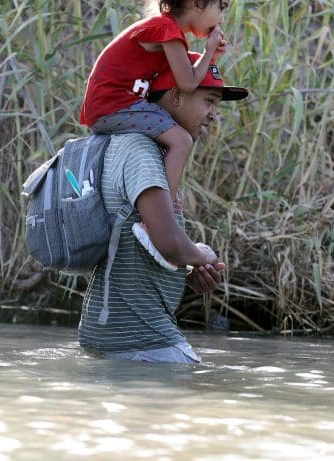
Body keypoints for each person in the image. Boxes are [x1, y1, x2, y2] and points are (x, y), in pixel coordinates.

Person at [78, 55, 249, 364]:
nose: (213, 115)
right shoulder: (141, 152)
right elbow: (167, 241)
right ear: (175, 95)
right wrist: (203, 255)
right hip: (139, 337)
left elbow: (137, 242)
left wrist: (187, 270)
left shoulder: (149, 151)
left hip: (116, 334)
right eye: (209, 101)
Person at [79, 0, 234, 213]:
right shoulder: (166, 30)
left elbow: (177, 83)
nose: (221, 19)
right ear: (198, 2)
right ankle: (164, 212)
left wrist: (212, 57)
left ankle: (161, 199)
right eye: (221, 7)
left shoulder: (167, 31)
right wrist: (208, 52)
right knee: (181, 140)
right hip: (114, 104)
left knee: (170, 132)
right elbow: (187, 84)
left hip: (114, 104)